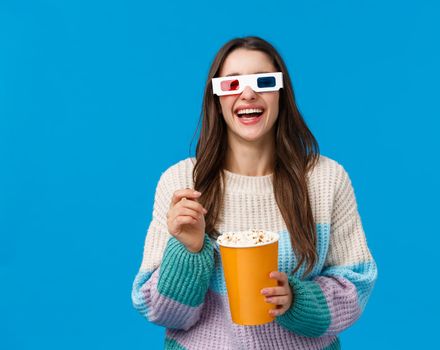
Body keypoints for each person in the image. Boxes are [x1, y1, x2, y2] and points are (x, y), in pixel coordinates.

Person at [131, 36, 378, 350]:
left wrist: (296, 300)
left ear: (281, 93)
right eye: (231, 85)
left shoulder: (326, 179)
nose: (248, 93)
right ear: (216, 100)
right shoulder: (182, 182)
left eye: (263, 81)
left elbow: (356, 282)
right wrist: (188, 249)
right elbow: (160, 311)